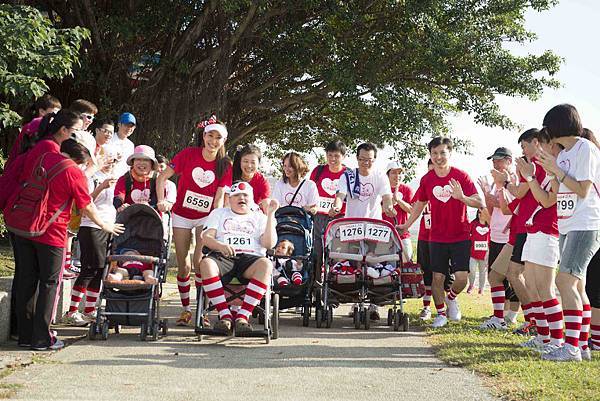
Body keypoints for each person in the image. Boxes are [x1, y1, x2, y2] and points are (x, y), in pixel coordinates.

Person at [9, 129, 124, 350]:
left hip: (24, 227)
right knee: (50, 283)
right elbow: (86, 204)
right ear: (83, 153)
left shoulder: (43, 157)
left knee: (26, 280)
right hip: (51, 233)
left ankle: (24, 336)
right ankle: (42, 339)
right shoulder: (74, 172)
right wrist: (105, 224)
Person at [399, 137, 484, 328]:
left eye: (442, 153)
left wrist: (461, 197)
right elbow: (419, 205)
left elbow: (479, 202)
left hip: (460, 235)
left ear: (450, 153)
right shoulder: (427, 180)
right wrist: (406, 225)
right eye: (434, 153)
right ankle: (441, 314)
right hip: (436, 237)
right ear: (430, 155)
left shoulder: (460, 176)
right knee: (438, 277)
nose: (438, 157)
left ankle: (451, 298)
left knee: (461, 277)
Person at [537, 104, 600, 362]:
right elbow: (558, 191)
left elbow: (583, 190)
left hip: (585, 224)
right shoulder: (563, 155)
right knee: (576, 284)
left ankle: (572, 347)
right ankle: (581, 344)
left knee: (564, 282)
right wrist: (551, 171)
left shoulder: (585, 148)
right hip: (567, 223)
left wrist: (557, 170)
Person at [156, 116, 232, 326]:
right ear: (204, 136)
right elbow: (162, 177)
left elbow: (219, 198)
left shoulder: (225, 164)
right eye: (210, 136)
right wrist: (162, 200)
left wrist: (213, 221)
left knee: (200, 264)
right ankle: (185, 309)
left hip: (205, 217)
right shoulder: (188, 154)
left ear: (223, 141)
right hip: (181, 215)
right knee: (183, 266)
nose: (213, 141)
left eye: (218, 138)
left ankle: (202, 311)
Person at [198, 182, 278, 335]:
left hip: (250, 259)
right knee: (206, 263)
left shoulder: (260, 217)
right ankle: (225, 315)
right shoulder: (219, 213)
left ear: (252, 198)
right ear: (230, 199)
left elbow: (268, 244)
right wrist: (219, 246)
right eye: (236, 195)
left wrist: (270, 216)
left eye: (245, 195)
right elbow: (207, 237)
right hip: (223, 256)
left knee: (266, 264)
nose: (241, 198)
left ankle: (243, 316)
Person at [329, 142, 395, 320]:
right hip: (352, 227)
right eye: (362, 159)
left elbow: (387, 197)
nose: (366, 163)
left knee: (374, 263)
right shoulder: (348, 176)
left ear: (375, 160)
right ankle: (357, 302)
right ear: (357, 159)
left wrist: (389, 207)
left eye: (370, 160)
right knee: (354, 264)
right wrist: (336, 207)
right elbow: (340, 196)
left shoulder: (380, 176)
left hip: (374, 228)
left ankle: (373, 304)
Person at [64, 148, 118, 326]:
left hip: (109, 226)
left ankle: (89, 310)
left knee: (100, 268)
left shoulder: (116, 178)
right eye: (108, 157)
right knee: (89, 267)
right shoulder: (91, 177)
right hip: (91, 226)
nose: (111, 161)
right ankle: (71, 311)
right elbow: (83, 203)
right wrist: (102, 186)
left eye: (115, 159)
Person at [310, 140, 347, 272]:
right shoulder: (318, 171)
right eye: (330, 155)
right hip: (319, 218)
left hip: (340, 219)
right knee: (316, 254)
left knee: (337, 256)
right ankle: (316, 285)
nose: (332, 159)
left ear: (343, 156)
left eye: (336, 156)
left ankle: (336, 285)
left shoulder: (348, 174)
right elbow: (310, 192)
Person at [113, 145, 174, 211]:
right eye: (138, 159)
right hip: (129, 218)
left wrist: (150, 206)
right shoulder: (125, 179)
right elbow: (119, 197)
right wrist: (120, 206)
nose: (141, 163)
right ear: (133, 162)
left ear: (152, 164)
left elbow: (160, 201)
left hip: (153, 219)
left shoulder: (158, 180)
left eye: (146, 160)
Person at [7, 94, 61, 168]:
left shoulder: (42, 127)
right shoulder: (32, 127)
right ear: (42, 111)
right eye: (54, 113)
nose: (57, 117)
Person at [415, 159, 435, 320]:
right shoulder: (425, 185)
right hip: (424, 237)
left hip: (443, 238)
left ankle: (448, 305)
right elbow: (414, 206)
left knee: (445, 275)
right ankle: (427, 307)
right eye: (430, 170)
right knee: (426, 273)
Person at [382, 161, 414, 262]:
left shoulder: (406, 190)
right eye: (393, 173)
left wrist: (398, 200)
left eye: (399, 173)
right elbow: (377, 211)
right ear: (387, 175)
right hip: (384, 235)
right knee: (386, 266)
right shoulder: (381, 190)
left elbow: (412, 210)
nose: (397, 176)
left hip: (402, 234)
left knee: (406, 263)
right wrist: (390, 202)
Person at [232, 144, 271, 211]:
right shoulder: (230, 175)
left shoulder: (262, 181)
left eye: (253, 162)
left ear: (258, 163)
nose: (249, 166)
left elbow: (266, 205)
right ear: (240, 161)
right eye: (245, 161)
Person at [467, 209, 490, 294]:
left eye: (482, 212)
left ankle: (481, 289)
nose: (480, 214)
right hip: (473, 253)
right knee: (471, 269)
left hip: (484, 254)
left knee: (482, 272)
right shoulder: (473, 224)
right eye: (479, 212)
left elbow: (491, 240)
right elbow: (467, 235)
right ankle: (471, 285)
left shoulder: (489, 226)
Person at [111, 112, 137, 177]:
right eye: (126, 125)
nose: (129, 128)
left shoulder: (131, 145)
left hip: (123, 181)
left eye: (132, 126)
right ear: (119, 124)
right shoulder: (109, 139)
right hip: (106, 179)